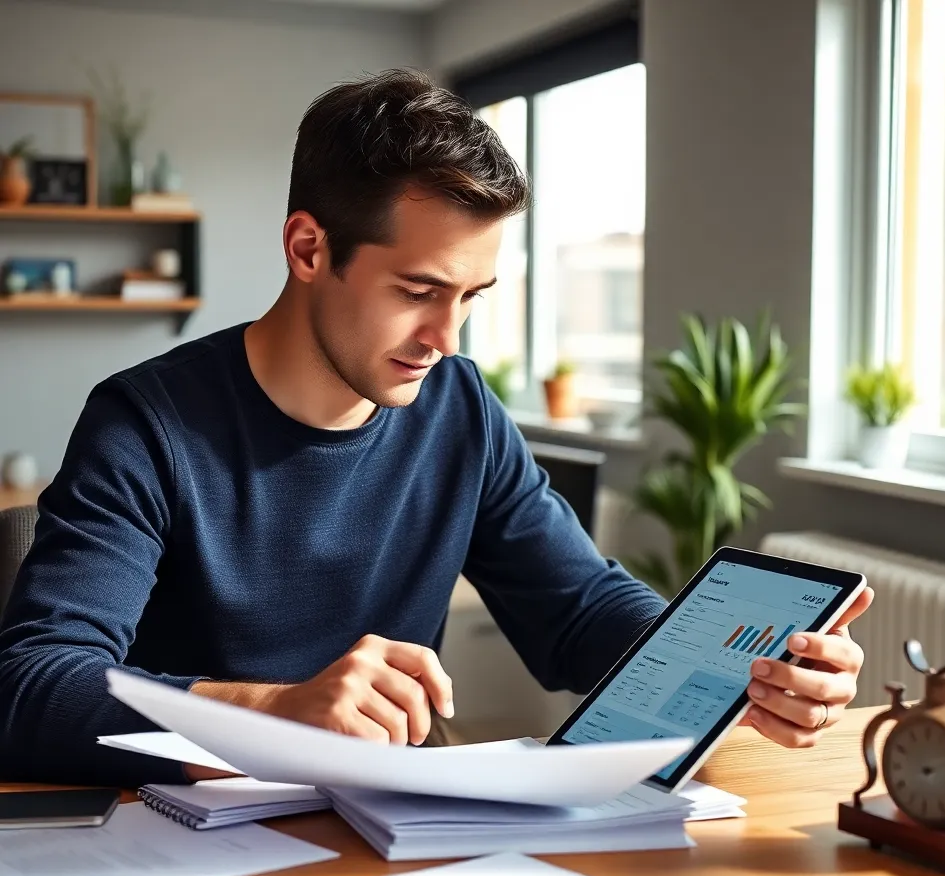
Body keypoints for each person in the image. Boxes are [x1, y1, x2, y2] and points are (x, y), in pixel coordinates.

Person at [0, 69, 872, 787]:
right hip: (191, 843)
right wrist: (271, 711)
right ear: (309, 250)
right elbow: (32, 685)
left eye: (471, 299)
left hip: (401, 831)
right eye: (418, 291)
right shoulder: (144, 425)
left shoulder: (459, 409)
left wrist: (733, 674)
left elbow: (578, 608)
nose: (446, 341)